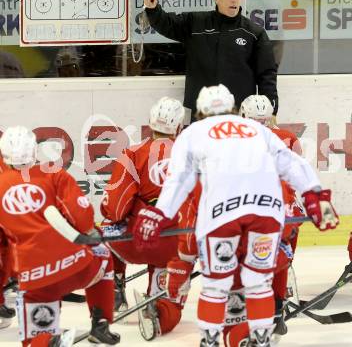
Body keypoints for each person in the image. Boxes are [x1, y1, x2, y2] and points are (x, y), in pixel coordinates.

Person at [132, 84, 339, 347]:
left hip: (222, 219)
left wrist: (159, 216)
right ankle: (260, 334)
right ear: (232, 108)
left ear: (200, 113)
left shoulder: (195, 134)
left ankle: (205, 338)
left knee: (216, 285)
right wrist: (315, 196)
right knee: (256, 283)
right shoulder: (259, 132)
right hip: (267, 217)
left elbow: (181, 187)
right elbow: (292, 166)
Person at [0, 126, 120, 347]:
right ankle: (101, 323)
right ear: (34, 150)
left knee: (35, 335)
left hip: (35, 279)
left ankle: (46, 341)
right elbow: (82, 218)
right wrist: (91, 234)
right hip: (76, 267)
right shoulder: (52, 172)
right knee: (103, 253)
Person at [101, 97, 193, 340]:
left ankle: (115, 285)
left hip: (138, 240)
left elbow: (115, 209)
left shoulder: (132, 154)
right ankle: (160, 307)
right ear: (179, 128)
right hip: (179, 247)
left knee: (107, 227)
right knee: (171, 299)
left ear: (149, 124)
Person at [143, 0, 278, 121]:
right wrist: (153, 10)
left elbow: (266, 74)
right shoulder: (196, 22)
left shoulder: (254, 33)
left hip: (237, 115)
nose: (234, 0)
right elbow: (168, 24)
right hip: (200, 113)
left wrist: (272, 110)